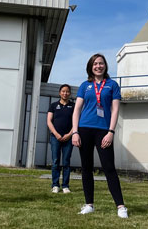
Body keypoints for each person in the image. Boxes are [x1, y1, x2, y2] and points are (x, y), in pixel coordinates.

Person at [71, 54, 128, 218]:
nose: (98, 66)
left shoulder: (112, 85)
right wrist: (75, 131)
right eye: (95, 64)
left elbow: (115, 110)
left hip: (103, 130)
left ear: (105, 66)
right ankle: (89, 204)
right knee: (86, 168)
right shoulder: (84, 85)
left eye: (101, 63)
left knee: (109, 168)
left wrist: (111, 132)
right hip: (84, 129)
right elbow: (77, 110)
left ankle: (121, 206)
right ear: (91, 67)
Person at [47, 84, 74, 194]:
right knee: (55, 162)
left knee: (66, 162)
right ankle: (55, 185)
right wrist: (56, 134)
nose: (65, 93)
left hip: (68, 138)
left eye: (67, 91)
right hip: (55, 137)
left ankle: (65, 186)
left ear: (70, 93)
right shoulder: (53, 105)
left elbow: (76, 122)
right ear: (59, 93)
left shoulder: (73, 106)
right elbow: (49, 121)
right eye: (63, 91)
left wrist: (69, 134)